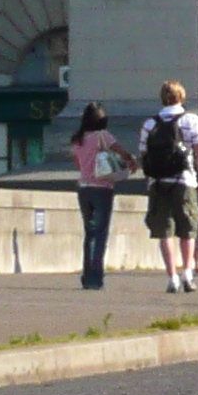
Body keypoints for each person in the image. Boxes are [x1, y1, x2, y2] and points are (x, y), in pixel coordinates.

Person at [136, 82, 198, 295]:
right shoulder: (190, 120)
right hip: (184, 181)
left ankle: (172, 277)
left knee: (164, 231)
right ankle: (187, 273)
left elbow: (143, 155)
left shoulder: (149, 124)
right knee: (187, 229)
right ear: (182, 97)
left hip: (158, 182)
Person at [69, 104, 126, 289]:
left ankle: (87, 276)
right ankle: (96, 277)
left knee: (89, 233)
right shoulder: (103, 136)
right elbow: (120, 151)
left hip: (84, 189)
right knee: (101, 233)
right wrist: (131, 162)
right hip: (103, 188)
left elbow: (78, 164)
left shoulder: (77, 140)